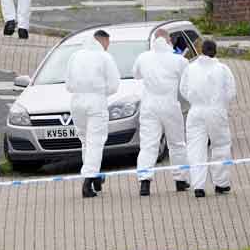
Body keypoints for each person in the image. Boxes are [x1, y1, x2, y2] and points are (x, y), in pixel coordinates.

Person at [132, 29, 190, 196]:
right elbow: (186, 79)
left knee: (148, 144)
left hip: (149, 105)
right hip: (170, 104)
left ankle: (144, 182)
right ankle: (180, 180)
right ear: (169, 40)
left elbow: (136, 75)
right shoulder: (178, 60)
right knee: (177, 143)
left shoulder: (143, 58)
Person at [65, 29, 121, 199]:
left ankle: (94, 176)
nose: (107, 47)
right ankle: (87, 182)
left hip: (76, 102)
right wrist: (100, 91)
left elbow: (68, 83)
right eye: (107, 44)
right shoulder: (104, 57)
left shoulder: (75, 56)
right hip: (96, 101)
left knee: (85, 142)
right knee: (95, 141)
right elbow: (114, 85)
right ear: (102, 41)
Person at [179, 39, 237, 198]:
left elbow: (183, 89)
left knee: (196, 148)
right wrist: (220, 102)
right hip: (216, 111)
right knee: (220, 146)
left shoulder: (190, 69)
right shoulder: (223, 69)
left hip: (196, 111)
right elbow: (231, 92)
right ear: (215, 51)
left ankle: (198, 186)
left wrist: (195, 101)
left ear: (201, 51)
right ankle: (221, 183)